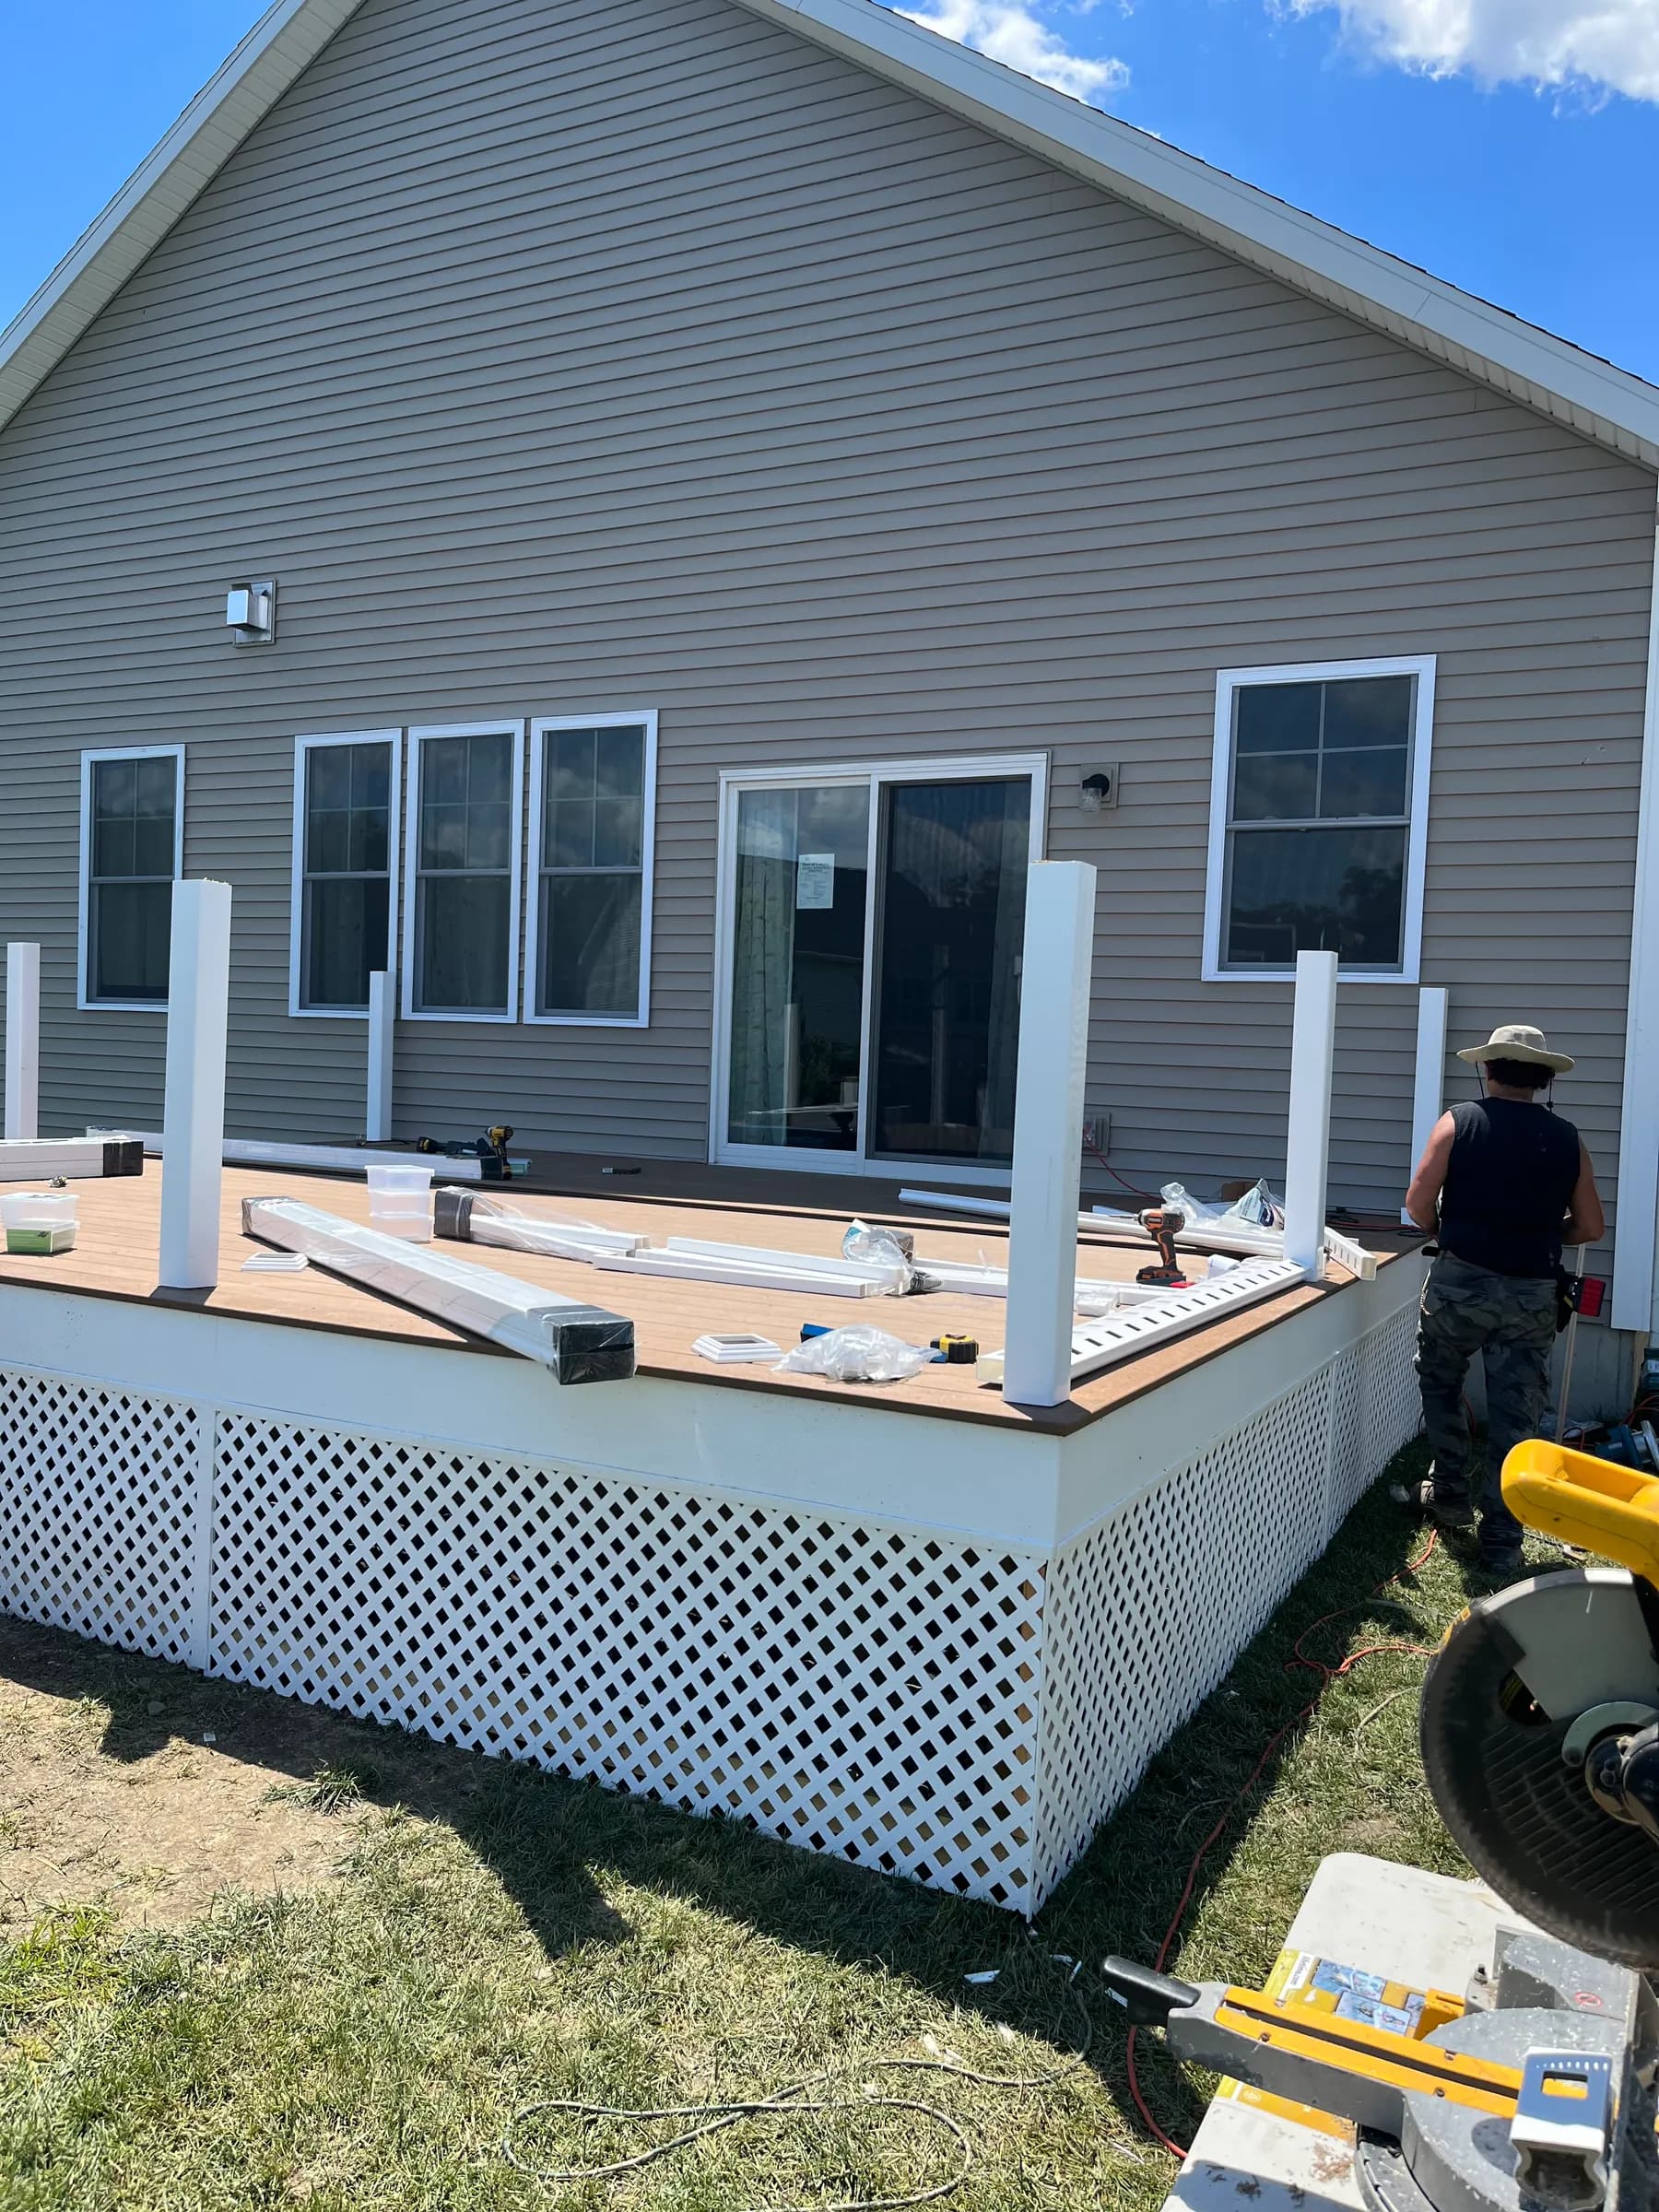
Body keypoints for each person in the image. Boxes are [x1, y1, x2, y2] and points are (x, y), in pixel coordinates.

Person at [1403, 1023, 1605, 1576]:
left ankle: (1447, 1491)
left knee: (1440, 1381)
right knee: (1518, 1414)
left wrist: (1445, 1231)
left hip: (1458, 1285)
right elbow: (1590, 1226)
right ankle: (1501, 1540)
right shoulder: (1567, 1138)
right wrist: (1543, 1236)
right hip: (1530, 1294)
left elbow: (1418, 1202)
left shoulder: (1458, 1123)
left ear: (1486, 1070)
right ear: (1543, 1079)